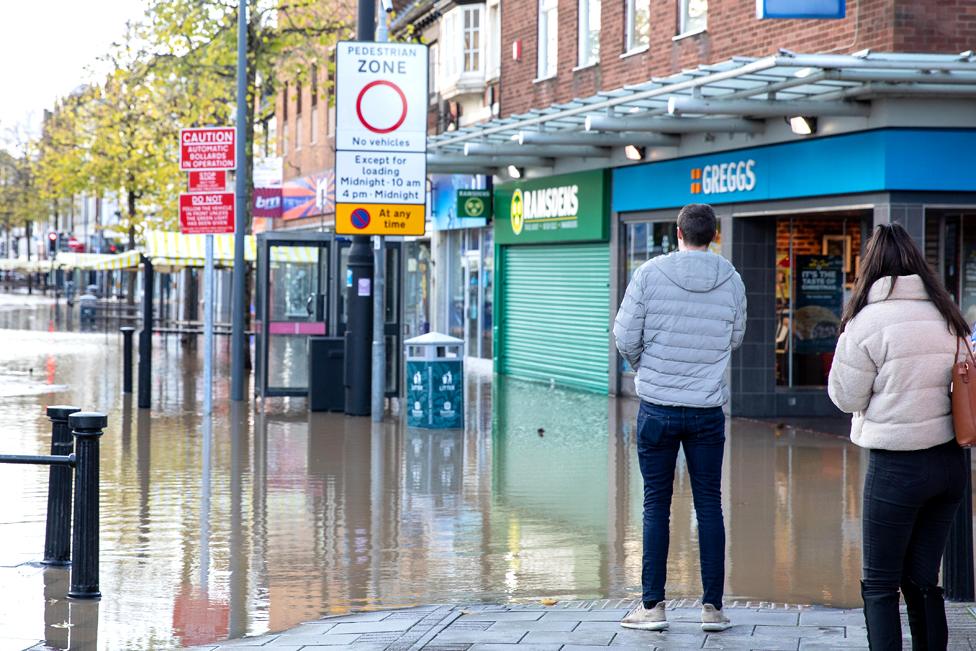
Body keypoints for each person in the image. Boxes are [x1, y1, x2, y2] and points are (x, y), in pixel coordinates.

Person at [828, 223, 967, 651]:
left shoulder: (867, 322)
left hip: (896, 468)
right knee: (923, 580)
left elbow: (845, 397)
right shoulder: (948, 314)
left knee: (881, 585)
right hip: (949, 464)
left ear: (870, 267)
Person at [614, 203, 746, 632]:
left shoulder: (649, 274)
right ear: (714, 235)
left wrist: (644, 367)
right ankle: (712, 609)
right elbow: (736, 336)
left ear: (678, 232)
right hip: (708, 410)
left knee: (656, 504)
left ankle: (652, 608)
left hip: (657, 409)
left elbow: (623, 336)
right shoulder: (731, 278)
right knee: (709, 504)